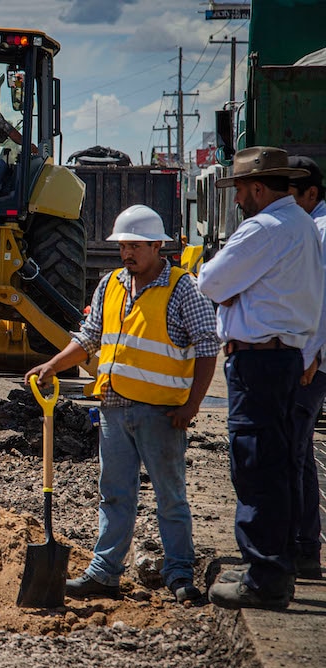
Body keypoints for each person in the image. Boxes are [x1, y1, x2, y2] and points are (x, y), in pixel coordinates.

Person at [24, 204, 219, 604]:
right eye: (122, 247)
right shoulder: (111, 283)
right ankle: (104, 573)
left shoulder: (184, 288)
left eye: (134, 247)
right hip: (113, 408)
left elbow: (207, 346)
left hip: (162, 412)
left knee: (170, 496)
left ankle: (180, 573)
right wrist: (53, 365)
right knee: (113, 493)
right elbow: (90, 336)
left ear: (156, 245)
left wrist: (192, 405)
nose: (126, 254)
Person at [197, 146, 324, 610]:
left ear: (255, 188)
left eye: (239, 192)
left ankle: (265, 578)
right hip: (285, 358)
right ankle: (274, 564)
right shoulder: (303, 225)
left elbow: (210, 283)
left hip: (259, 364)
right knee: (282, 464)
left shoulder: (263, 229)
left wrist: (233, 293)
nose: (236, 202)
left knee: (256, 467)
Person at [286, 155, 326, 581]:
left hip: (312, 362)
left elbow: (322, 301)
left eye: (290, 196)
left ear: (310, 194)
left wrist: (309, 354)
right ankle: (303, 548)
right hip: (312, 357)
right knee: (299, 453)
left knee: (295, 453)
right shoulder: (310, 228)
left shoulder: (319, 232)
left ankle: (303, 551)